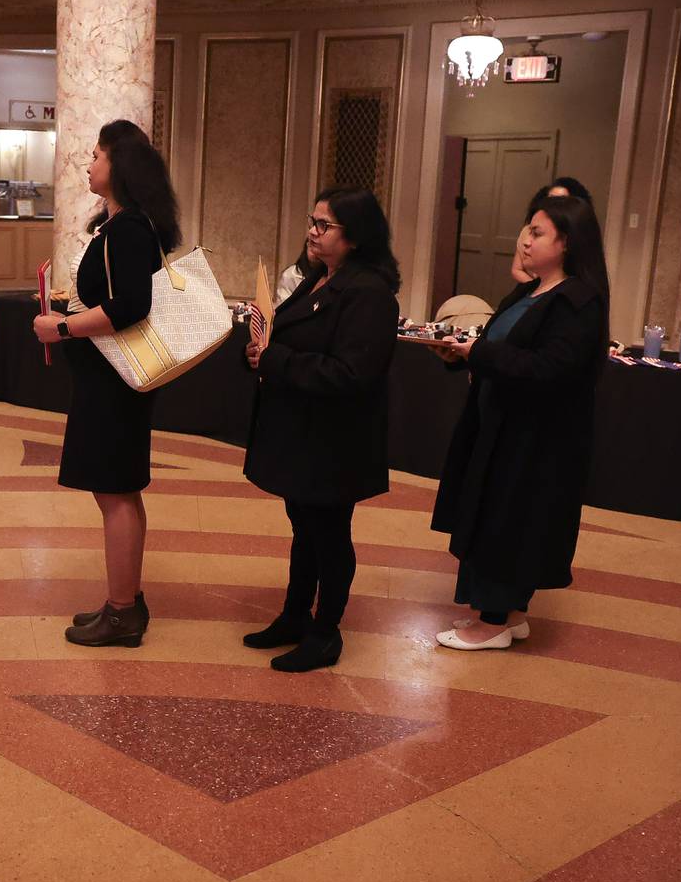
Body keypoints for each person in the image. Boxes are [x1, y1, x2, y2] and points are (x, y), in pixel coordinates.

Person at [431, 196, 610, 650]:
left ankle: (492, 622)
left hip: (535, 441)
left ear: (567, 243)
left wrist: (481, 354)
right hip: (500, 428)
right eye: (526, 229)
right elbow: (500, 347)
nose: (523, 240)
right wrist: (460, 355)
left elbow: (549, 368)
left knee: (509, 521)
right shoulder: (529, 291)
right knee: (495, 514)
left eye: (536, 232)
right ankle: (510, 613)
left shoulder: (577, 302)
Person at [242, 187, 400, 672]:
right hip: (302, 432)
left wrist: (276, 358)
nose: (311, 231)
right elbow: (288, 335)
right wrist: (258, 346)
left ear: (355, 237)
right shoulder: (318, 279)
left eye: (323, 225)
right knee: (304, 530)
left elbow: (352, 374)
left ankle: (326, 631)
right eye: (312, 221)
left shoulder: (370, 293)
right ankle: (294, 615)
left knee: (328, 535)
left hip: (335, 441)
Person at [32, 119, 174, 648]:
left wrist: (63, 326)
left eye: (96, 155)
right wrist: (66, 309)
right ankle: (125, 601)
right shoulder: (120, 226)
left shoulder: (131, 228)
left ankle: (122, 612)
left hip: (114, 383)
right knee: (116, 491)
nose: (87, 165)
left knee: (116, 494)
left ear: (121, 165)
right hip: (106, 380)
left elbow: (131, 307)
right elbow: (111, 299)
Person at [510, 177, 592, 285]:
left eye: (560, 200)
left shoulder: (577, 241)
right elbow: (516, 269)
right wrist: (536, 288)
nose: (553, 205)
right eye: (550, 199)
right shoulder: (528, 231)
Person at [275, 241, 319, 305]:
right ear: (306, 246)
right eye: (312, 245)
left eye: (318, 247)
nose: (315, 251)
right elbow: (283, 306)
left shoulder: (329, 274)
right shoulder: (290, 274)